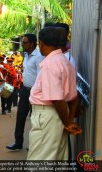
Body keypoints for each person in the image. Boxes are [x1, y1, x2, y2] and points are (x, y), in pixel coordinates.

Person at [27, 27, 81, 160]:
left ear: (41, 43)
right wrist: (68, 120)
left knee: (40, 160)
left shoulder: (51, 64)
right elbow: (74, 97)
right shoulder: (64, 61)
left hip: (48, 115)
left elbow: (57, 99)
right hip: (58, 115)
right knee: (56, 158)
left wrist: (68, 123)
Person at [6, 33, 44, 151]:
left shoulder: (39, 57)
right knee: (20, 115)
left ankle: (35, 144)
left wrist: (34, 93)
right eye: (22, 42)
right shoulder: (26, 55)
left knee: (36, 119)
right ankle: (18, 142)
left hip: (35, 91)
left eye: (24, 42)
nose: (22, 44)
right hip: (25, 89)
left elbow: (40, 77)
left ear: (32, 44)